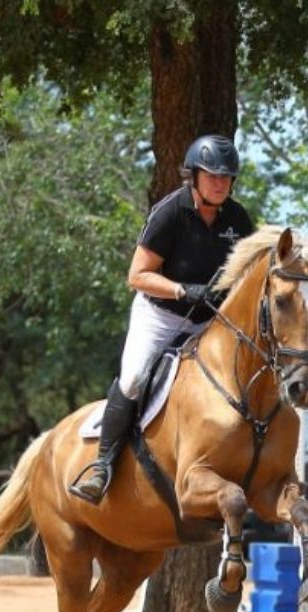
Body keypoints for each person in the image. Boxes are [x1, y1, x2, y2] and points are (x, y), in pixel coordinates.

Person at [69, 133, 256, 504]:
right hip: (161, 315)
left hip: (211, 322)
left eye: (226, 177)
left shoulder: (237, 218)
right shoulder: (170, 212)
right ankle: (103, 465)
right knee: (136, 376)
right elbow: (137, 276)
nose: (220, 183)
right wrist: (183, 290)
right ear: (194, 177)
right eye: (212, 175)